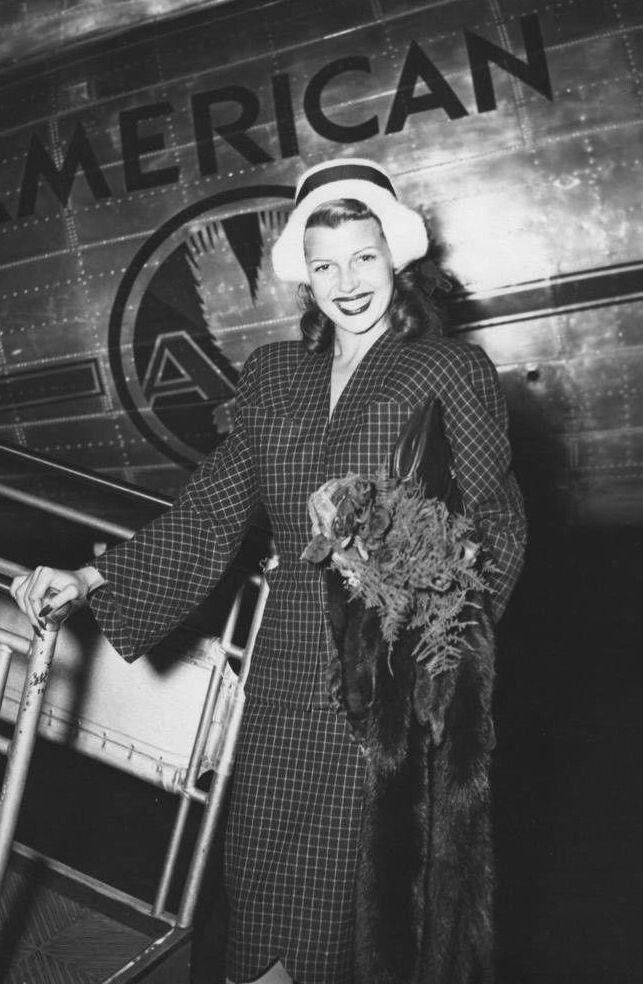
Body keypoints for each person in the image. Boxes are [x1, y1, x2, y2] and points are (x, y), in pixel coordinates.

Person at [11, 158, 526, 984]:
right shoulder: (275, 375)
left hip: (381, 686)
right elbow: (210, 512)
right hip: (282, 677)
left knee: (346, 924)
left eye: (363, 258)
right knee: (256, 901)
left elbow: (496, 523)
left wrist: (428, 620)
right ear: (305, 279)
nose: (347, 283)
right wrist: (91, 579)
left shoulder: (446, 370)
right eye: (325, 266)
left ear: (395, 259)